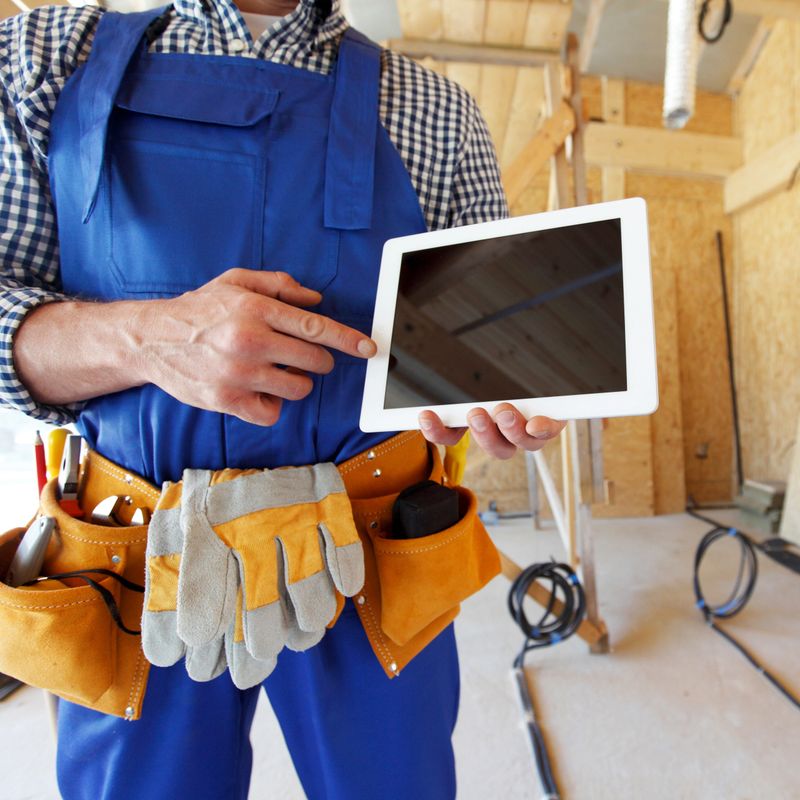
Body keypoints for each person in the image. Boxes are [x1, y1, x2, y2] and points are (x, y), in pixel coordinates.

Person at [0, 0, 566, 797]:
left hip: (371, 549)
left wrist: (495, 398)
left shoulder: (440, 112)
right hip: (135, 561)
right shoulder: (40, 59)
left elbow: (475, 353)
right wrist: (149, 338)